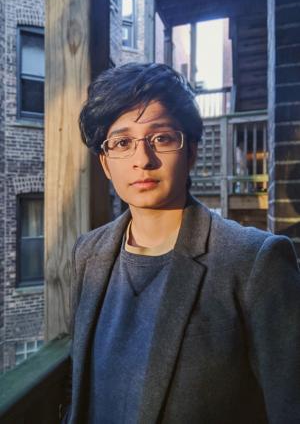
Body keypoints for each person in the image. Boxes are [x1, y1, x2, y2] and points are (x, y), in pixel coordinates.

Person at [62, 63, 300, 424]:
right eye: (122, 143)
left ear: (190, 152)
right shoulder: (88, 253)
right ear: (106, 164)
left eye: (161, 138)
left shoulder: (253, 262)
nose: (143, 160)